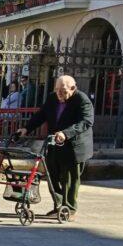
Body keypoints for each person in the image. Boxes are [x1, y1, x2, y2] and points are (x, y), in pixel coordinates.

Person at [17, 75, 94, 219]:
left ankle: (69, 209)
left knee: (69, 179)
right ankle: (59, 206)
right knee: (52, 176)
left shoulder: (82, 100)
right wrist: (26, 128)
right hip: (54, 144)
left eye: (63, 90)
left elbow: (86, 121)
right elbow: (41, 115)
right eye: (57, 89)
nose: (59, 93)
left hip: (74, 147)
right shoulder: (53, 98)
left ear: (73, 88)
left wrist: (66, 133)